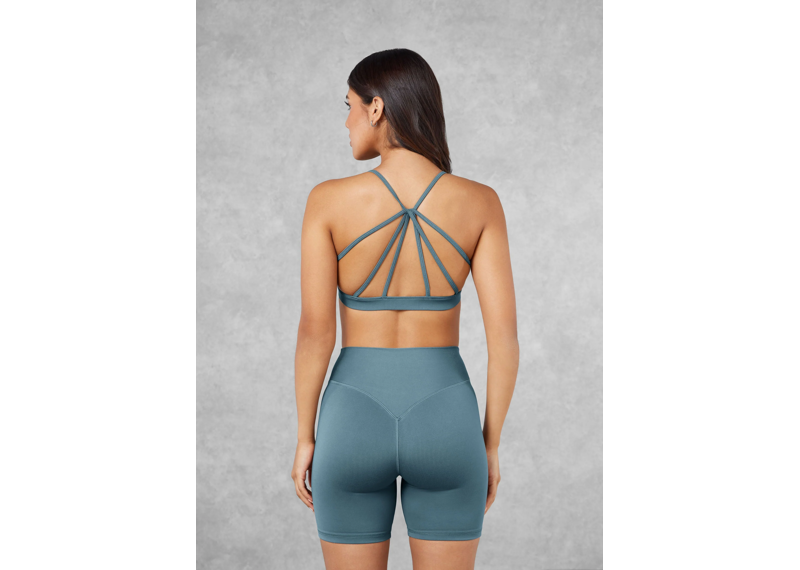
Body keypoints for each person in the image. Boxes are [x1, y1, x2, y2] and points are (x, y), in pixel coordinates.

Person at [292, 48, 519, 570]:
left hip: (351, 418)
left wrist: (305, 436)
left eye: (349, 106)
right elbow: (504, 341)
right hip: (448, 418)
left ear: (375, 108)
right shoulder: (480, 201)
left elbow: (315, 334)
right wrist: (488, 444)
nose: (346, 122)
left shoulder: (327, 200)